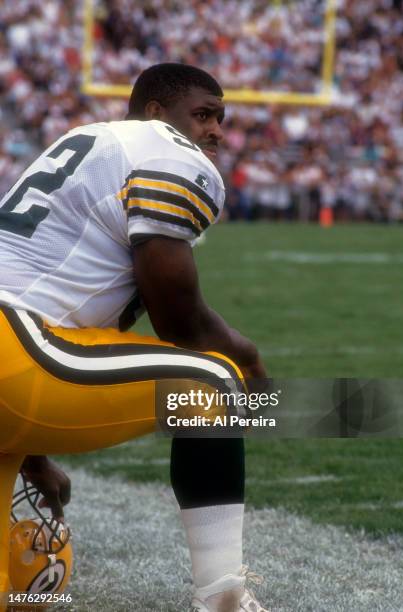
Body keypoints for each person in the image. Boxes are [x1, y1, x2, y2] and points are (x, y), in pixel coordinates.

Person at [0, 63, 268, 611]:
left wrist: (32, 457)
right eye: (202, 114)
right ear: (156, 112)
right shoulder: (166, 151)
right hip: (13, 349)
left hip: (14, 358)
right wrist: (250, 363)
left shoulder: (86, 140)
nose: (215, 130)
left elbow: (50, 297)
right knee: (212, 380)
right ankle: (224, 599)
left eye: (220, 118)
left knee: (11, 594)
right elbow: (179, 321)